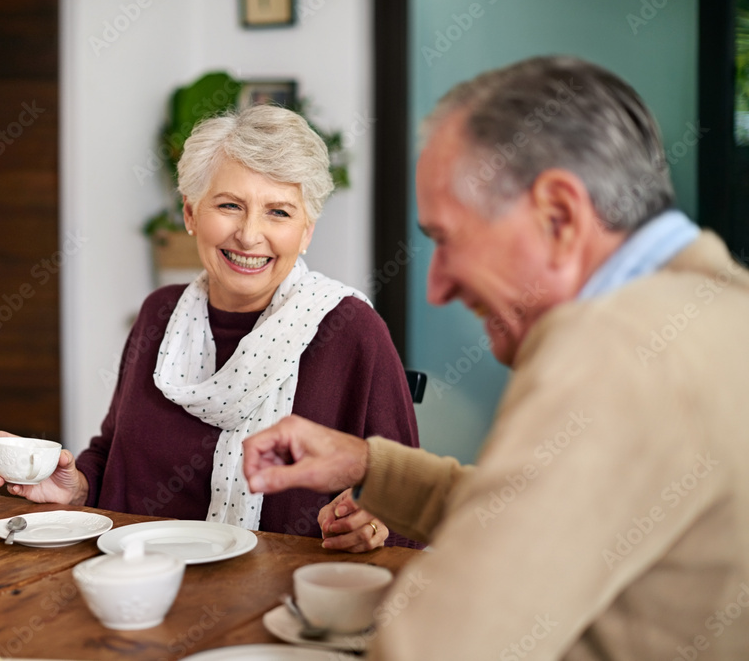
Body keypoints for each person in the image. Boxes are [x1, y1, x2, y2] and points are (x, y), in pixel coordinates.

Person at [242, 56, 749, 659]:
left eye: (447, 239)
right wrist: (370, 466)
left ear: (559, 216)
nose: (436, 287)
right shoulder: (716, 310)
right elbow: (548, 521)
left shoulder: (616, 348)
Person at [0, 105, 420, 551]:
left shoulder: (351, 331)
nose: (250, 235)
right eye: (230, 205)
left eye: (279, 213)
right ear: (190, 213)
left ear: (306, 232)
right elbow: (114, 454)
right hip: (137, 585)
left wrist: (372, 522)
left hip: (285, 608)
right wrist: (73, 489)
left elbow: (405, 504)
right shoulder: (159, 315)